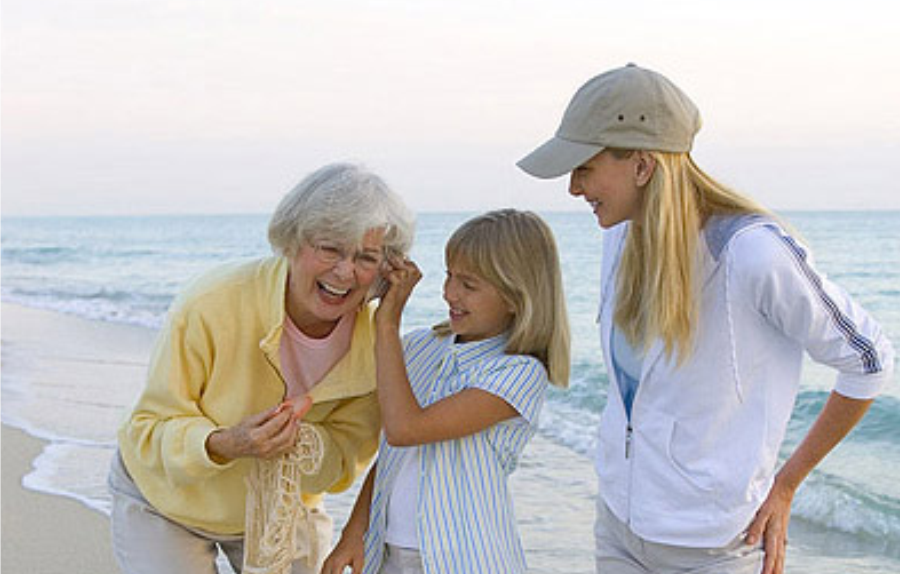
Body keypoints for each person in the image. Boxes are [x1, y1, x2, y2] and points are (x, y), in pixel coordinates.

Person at [517, 63, 895, 574]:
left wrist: (785, 487)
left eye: (583, 167)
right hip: (619, 529)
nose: (573, 188)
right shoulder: (619, 236)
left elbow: (868, 358)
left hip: (715, 548)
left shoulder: (752, 254)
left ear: (642, 166)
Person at [108, 163, 415, 574]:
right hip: (163, 499)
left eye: (366, 257)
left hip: (279, 510)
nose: (345, 271)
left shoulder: (378, 344)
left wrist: (302, 444)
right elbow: (149, 428)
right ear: (292, 242)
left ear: (386, 270)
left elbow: (346, 460)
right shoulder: (212, 303)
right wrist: (225, 442)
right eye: (330, 248)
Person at [320, 208, 571, 574]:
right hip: (388, 555)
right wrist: (354, 532)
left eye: (469, 285)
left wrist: (387, 322)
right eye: (450, 275)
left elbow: (407, 429)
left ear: (516, 297)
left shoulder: (518, 373)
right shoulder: (419, 347)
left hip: (466, 560)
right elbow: (392, 454)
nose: (448, 292)